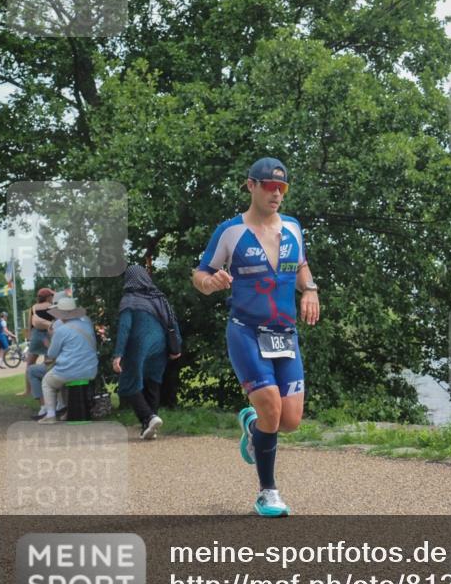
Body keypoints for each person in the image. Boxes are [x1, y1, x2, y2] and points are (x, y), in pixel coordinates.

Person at [192, 157, 320, 517]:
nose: (276, 193)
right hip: (246, 332)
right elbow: (200, 275)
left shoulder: (293, 228)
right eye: (269, 186)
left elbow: (302, 266)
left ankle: (251, 427)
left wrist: (309, 289)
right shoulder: (230, 231)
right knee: (270, 405)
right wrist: (211, 283)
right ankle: (268, 492)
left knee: (290, 421)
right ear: (251, 186)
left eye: (282, 188)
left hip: (285, 334)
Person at [113, 265, 182, 440]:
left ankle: (149, 417)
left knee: (128, 382)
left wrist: (118, 354)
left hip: (140, 343)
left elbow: (125, 327)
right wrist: (176, 347)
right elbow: (173, 322)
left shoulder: (129, 300)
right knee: (153, 381)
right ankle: (149, 427)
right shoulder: (159, 298)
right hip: (160, 345)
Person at [36, 297, 98, 424]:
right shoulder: (87, 323)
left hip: (70, 370)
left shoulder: (61, 330)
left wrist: (52, 337)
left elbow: (52, 354)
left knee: (47, 382)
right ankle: (69, 412)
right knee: (64, 380)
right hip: (91, 369)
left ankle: (51, 415)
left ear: (61, 314)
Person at [17, 289, 55, 396]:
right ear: (48, 297)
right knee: (48, 363)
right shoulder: (52, 306)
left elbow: (29, 325)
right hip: (49, 335)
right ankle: (49, 389)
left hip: (36, 335)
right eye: (51, 295)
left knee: (29, 363)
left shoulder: (33, 307)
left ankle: (28, 390)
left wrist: (29, 337)